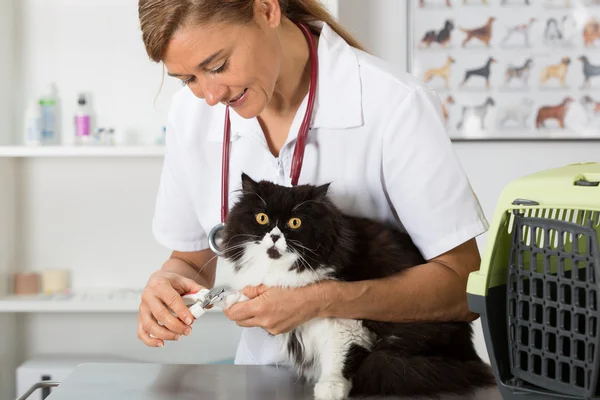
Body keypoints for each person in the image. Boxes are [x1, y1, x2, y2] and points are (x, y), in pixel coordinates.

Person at [136, 0, 489, 366]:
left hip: (380, 374)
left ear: (268, 10)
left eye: (217, 66)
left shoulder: (394, 103)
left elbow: (463, 287)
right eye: (189, 79)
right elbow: (191, 259)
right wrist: (168, 283)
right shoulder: (189, 114)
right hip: (262, 381)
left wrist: (320, 300)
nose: (210, 96)